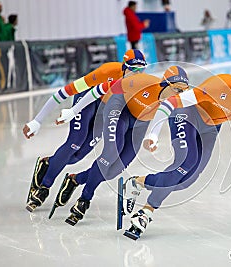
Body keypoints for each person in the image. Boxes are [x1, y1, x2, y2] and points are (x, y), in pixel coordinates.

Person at [122, 64, 231, 238]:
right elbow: (170, 102)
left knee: (186, 181)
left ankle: (137, 182)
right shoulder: (219, 86)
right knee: (187, 161)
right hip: (188, 114)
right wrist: (154, 134)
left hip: (212, 127)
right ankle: (146, 213)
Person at [52, 65, 190, 226]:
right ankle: (85, 198)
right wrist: (74, 111)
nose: (181, 95)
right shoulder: (141, 82)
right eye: (177, 89)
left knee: (114, 171)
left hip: (140, 124)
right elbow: (99, 89)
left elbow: (166, 118)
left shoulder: (179, 101)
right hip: (119, 110)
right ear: (164, 84)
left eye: (185, 90)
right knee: (110, 153)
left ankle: (75, 179)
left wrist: (153, 136)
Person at [24, 49, 147, 212]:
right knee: (75, 143)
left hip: (105, 109)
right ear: (124, 67)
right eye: (133, 69)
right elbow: (65, 92)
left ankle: (47, 163)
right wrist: (37, 120)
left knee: (77, 157)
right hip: (86, 100)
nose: (137, 74)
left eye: (141, 70)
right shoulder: (106, 72)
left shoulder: (141, 85)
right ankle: (44, 187)